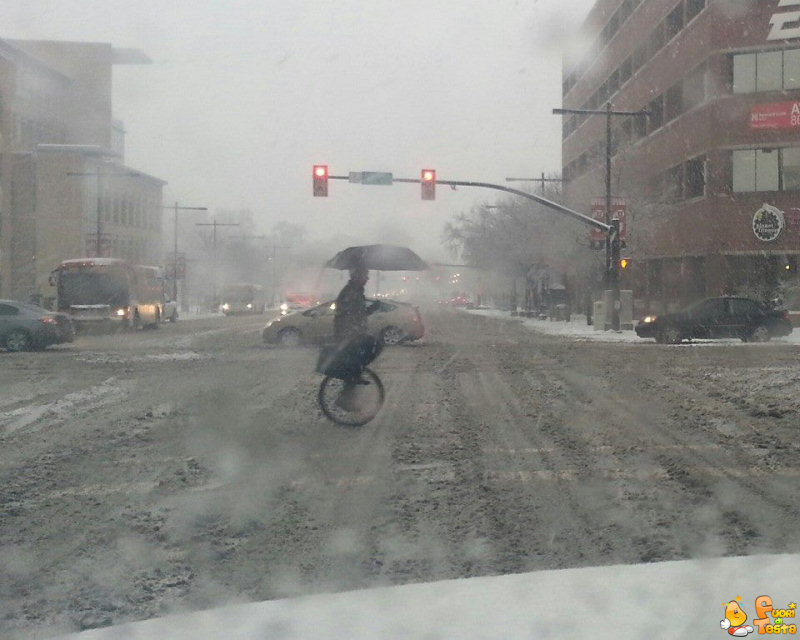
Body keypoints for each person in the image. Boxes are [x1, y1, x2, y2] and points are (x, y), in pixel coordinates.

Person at [331, 264, 382, 411]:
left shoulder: (356, 291)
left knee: (359, 360)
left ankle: (350, 388)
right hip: (347, 335)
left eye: (367, 275)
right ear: (356, 276)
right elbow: (347, 314)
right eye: (365, 275)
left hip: (352, 333)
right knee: (373, 347)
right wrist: (353, 331)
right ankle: (346, 395)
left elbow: (359, 313)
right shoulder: (351, 292)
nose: (367, 278)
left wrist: (372, 308)